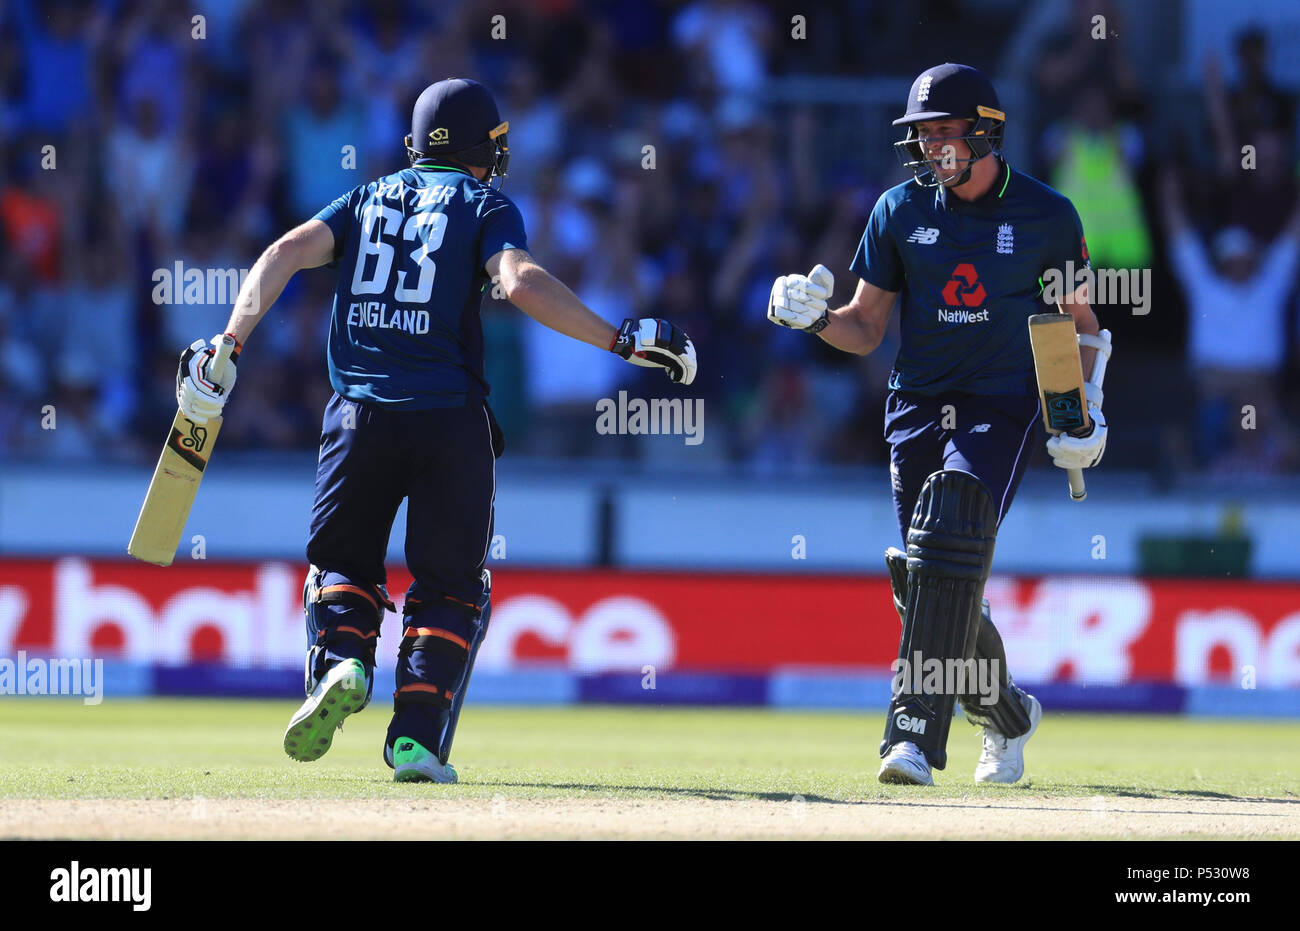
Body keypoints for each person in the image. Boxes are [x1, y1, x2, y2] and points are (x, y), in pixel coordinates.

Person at [174, 78, 697, 783]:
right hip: (449, 421)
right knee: (451, 587)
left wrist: (228, 344)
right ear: (485, 147)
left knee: (342, 569)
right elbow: (518, 282)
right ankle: (416, 740)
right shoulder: (486, 204)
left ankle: (345, 662)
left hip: (357, 417)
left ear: (417, 144)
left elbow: (285, 251)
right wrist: (620, 338)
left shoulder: (366, 197)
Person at [768, 63, 1110, 785]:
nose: (934, 147)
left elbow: (1080, 326)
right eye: (923, 135)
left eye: (947, 132)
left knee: (949, 529)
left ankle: (912, 734)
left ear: (986, 130)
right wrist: (814, 318)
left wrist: (1082, 410)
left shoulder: (1048, 215)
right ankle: (1008, 714)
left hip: (1002, 402)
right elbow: (863, 326)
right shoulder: (898, 210)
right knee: (932, 576)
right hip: (917, 403)